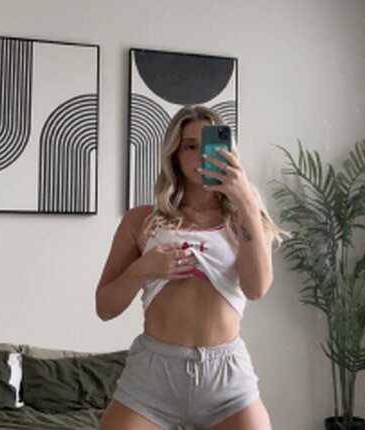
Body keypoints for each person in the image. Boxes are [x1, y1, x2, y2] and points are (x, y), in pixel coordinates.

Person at [96, 105, 282, 430]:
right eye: (190, 146)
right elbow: (105, 308)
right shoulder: (142, 221)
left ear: (227, 150)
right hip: (153, 376)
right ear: (175, 155)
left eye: (209, 145)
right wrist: (143, 269)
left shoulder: (245, 217)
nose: (201, 156)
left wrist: (245, 200)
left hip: (226, 378)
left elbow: (257, 289)